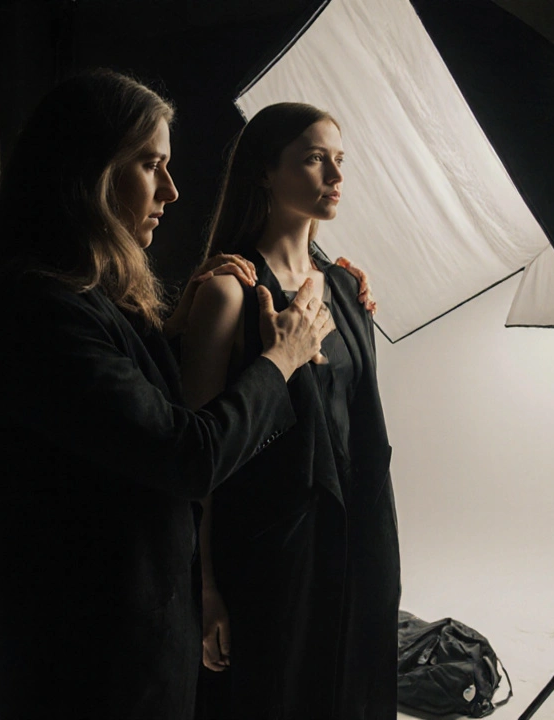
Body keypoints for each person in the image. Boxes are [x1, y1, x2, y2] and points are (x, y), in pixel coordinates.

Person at [0, 70, 336, 720]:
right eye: (151, 165)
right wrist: (282, 359)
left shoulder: (81, 296)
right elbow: (186, 457)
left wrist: (175, 333)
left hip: (128, 646)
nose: (172, 190)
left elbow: (118, 420)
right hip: (84, 670)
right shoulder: (35, 310)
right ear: (88, 174)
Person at [182, 102, 401, 719]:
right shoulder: (227, 291)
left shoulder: (347, 288)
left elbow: (355, 426)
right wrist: (205, 586)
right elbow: (199, 458)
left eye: (339, 160)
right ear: (265, 173)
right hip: (270, 554)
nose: (334, 175)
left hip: (357, 540)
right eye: (312, 158)